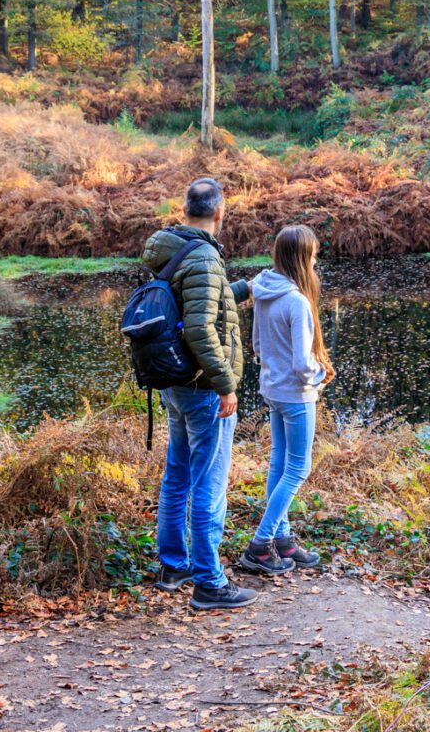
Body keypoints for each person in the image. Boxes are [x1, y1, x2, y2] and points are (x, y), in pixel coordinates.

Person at [142, 177, 255, 611]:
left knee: (178, 475)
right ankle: (210, 582)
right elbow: (199, 328)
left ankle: (174, 565)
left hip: (174, 383)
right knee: (210, 482)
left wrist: (243, 290)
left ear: (185, 208)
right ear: (220, 211)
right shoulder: (205, 258)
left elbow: (195, 305)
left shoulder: (169, 247)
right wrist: (226, 384)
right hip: (202, 387)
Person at [237, 225, 335, 576]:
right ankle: (260, 545)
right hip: (295, 395)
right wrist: (318, 375)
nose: (314, 261)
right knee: (298, 468)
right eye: (312, 256)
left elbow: (258, 347)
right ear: (302, 258)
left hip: (272, 389)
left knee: (279, 464)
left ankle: (284, 539)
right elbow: (300, 363)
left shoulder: (264, 291)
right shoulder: (296, 301)